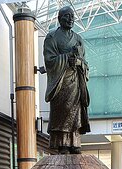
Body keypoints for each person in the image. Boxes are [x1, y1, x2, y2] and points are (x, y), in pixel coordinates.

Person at [43, 6, 90, 154]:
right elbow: (49, 60)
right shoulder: (52, 37)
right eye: (67, 16)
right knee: (61, 112)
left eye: (72, 16)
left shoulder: (78, 39)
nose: (70, 19)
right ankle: (62, 143)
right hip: (60, 81)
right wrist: (66, 58)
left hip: (75, 81)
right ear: (59, 18)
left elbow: (85, 63)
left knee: (75, 113)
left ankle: (74, 142)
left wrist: (78, 63)